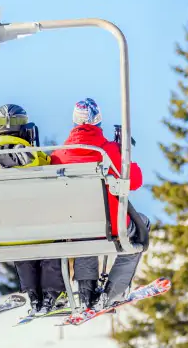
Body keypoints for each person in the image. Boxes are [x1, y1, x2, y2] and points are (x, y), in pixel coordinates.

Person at [49, 98, 147, 310]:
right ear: (98, 120)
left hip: (75, 225)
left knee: (85, 230)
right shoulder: (108, 151)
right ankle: (114, 291)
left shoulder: (59, 155)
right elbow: (135, 181)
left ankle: (86, 293)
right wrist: (124, 153)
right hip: (110, 225)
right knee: (141, 228)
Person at [0, 104, 67, 316]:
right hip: (41, 234)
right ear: (24, 128)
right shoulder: (36, 157)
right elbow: (50, 165)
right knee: (46, 233)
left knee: (18, 230)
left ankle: (33, 293)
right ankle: (53, 293)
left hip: (3, 235)